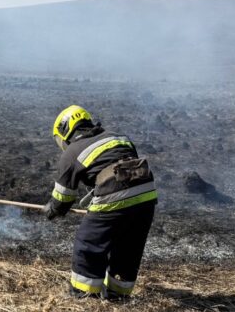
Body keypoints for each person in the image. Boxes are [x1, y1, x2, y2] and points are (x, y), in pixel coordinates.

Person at [43, 105, 158, 300]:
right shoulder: (117, 137)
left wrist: (52, 210)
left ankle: (84, 294)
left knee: (89, 244)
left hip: (114, 196)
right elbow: (121, 163)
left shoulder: (72, 152)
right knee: (128, 246)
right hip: (146, 194)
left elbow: (63, 198)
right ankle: (118, 295)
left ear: (64, 131)